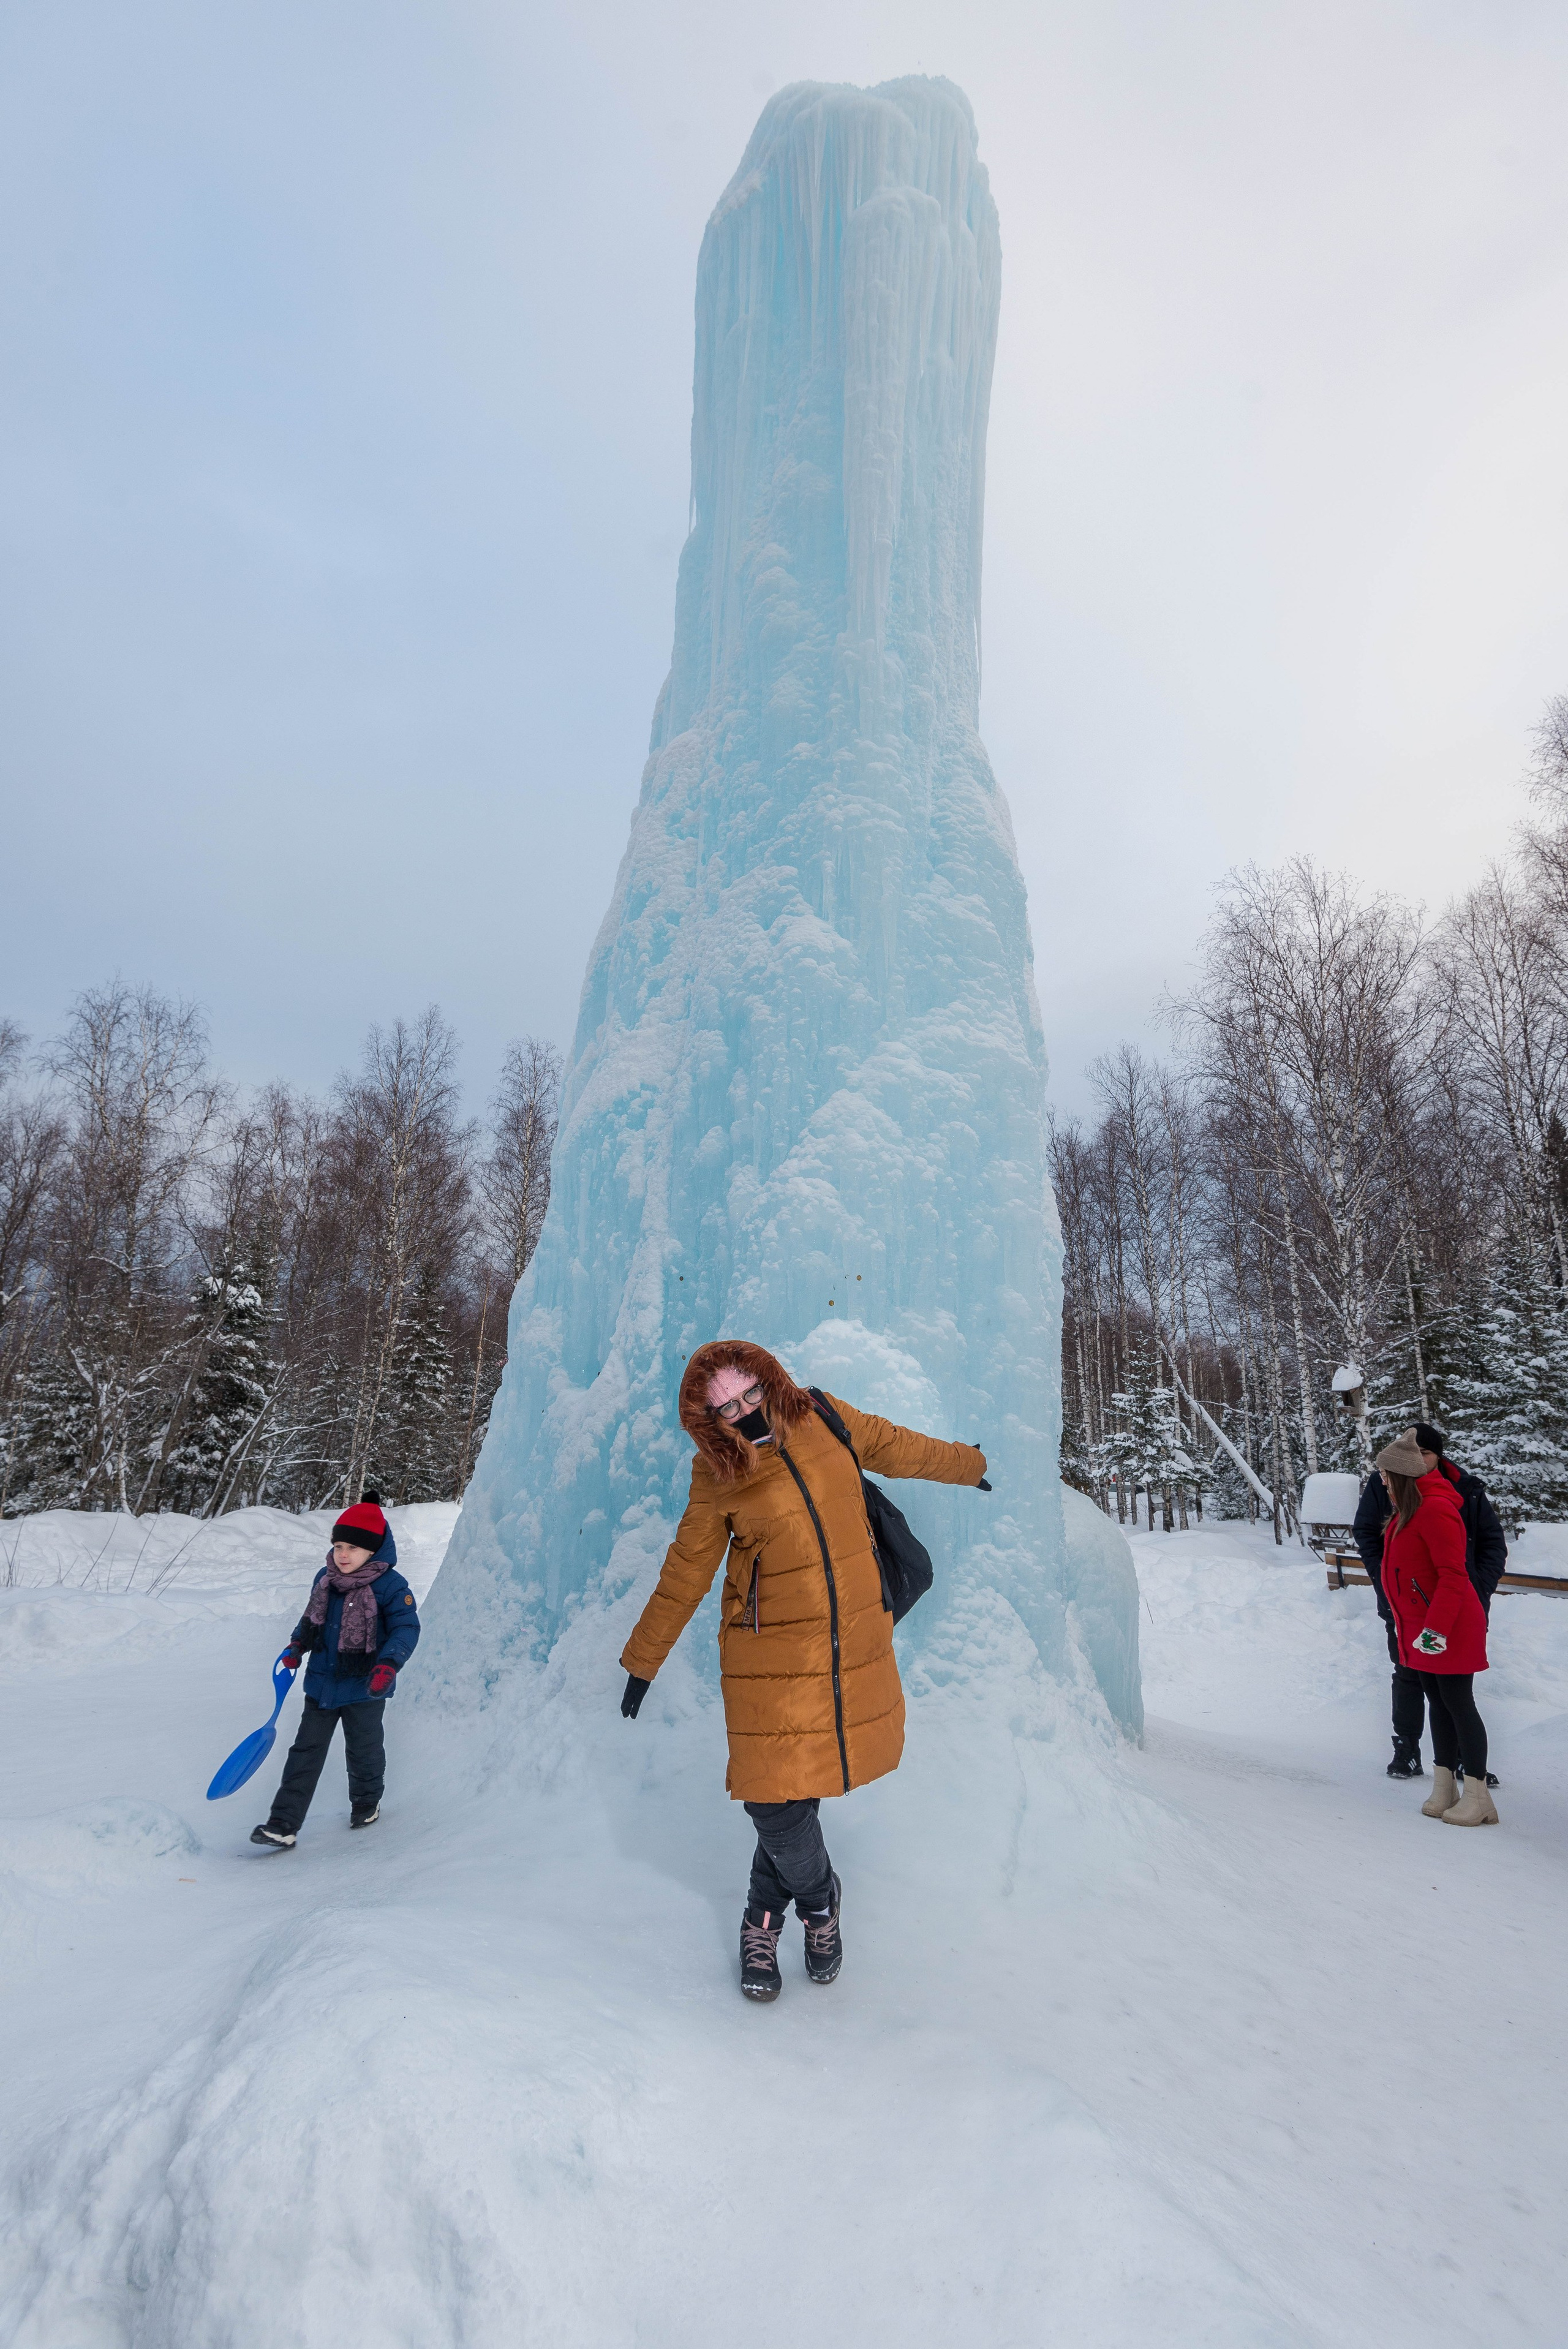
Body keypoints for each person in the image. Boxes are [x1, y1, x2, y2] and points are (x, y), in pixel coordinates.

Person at [618, 1340, 990, 2001]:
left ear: (770, 1380)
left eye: (750, 1394)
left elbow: (900, 1447)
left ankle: (761, 1918)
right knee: (773, 1798)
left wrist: (969, 1464)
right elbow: (686, 1569)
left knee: (800, 1788)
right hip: (767, 1657)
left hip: (846, 1642)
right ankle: (820, 1903)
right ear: (709, 1419)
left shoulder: (825, 1416)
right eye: (726, 1408)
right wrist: (643, 1660)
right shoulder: (717, 1473)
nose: (744, 1411)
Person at [251, 1493, 421, 1848]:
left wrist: (389, 1665)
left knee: (364, 1749)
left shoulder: (391, 1586)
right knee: (305, 1752)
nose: (343, 1555)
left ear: (373, 1551)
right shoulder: (325, 1579)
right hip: (322, 1683)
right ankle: (283, 1824)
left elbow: (407, 1628)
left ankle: (365, 1803)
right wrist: (297, 1646)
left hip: (366, 1685)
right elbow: (312, 1620)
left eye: (353, 1548)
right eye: (339, 1545)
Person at [1352, 1420, 1506, 1779]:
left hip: (1451, 1605)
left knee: (1454, 1692)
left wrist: (1477, 1588)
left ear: (1438, 1455)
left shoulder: (1461, 1489)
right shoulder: (1387, 1482)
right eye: (1414, 1451)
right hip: (1404, 1605)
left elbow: (1491, 1544)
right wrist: (1388, 1582)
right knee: (1410, 1677)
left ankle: (1467, 1766)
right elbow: (1368, 1533)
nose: (1418, 1459)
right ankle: (1408, 1748)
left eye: (1426, 1452)